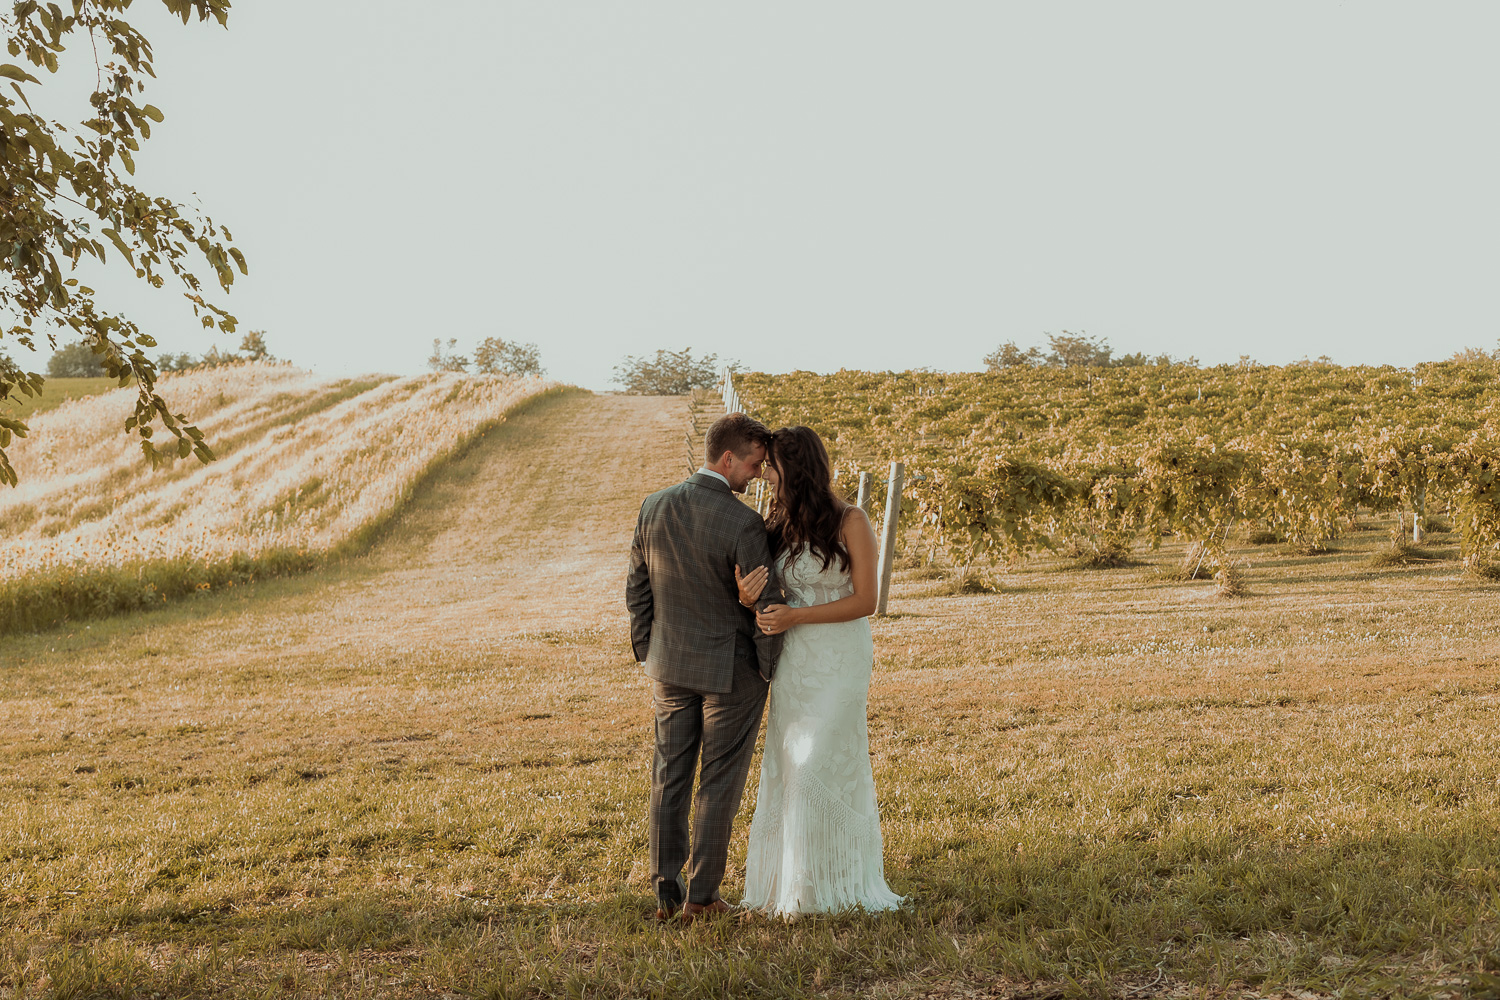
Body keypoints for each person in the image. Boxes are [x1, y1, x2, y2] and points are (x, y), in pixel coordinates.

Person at [737, 425, 904, 915]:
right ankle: (795, 886)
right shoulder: (779, 522)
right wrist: (749, 600)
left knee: (822, 759)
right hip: (796, 661)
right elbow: (766, 594)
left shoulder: (851, 519)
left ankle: (840, 880)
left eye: (771, 466)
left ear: (795, 468)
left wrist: (796, 616)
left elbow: (866, 600)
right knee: (792, 763)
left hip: (839, 656)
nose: (764, 474)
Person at [625, 412, 786, 923]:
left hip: (668, 667)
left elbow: (637, 587)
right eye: (755, 465)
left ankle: (665, 890)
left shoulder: (653, 506)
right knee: (718, 783)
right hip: (730, 673)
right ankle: (702, 897)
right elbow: (766, 603)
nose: (757, 475)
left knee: (668, 776)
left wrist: (649, 649)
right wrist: (766, 669)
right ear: (728, 459)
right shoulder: (743, 523)